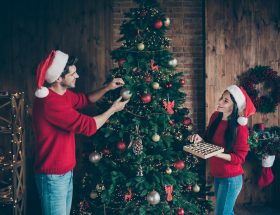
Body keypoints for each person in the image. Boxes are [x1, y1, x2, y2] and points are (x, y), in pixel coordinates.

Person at [32, 50, 129, 215]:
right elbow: (88, 126)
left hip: (64, 172)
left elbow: (84, 99)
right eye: (73, 73)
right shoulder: (50, 102)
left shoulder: (62, 94)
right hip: (53, 177)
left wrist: (107, 88)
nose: (77, 76)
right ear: (59, 78)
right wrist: (113, 109)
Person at [189, 85, 256, 215]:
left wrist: (217, 153)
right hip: (218, 174)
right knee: (225, 212)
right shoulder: (215, 117)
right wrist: (199, 139)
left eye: (225, 101)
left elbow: (239, 158)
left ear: (234, 106)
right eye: (221, 98)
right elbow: (208, 140)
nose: (219, 102)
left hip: (231, 179)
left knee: (222, 213)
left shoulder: (240, 128)